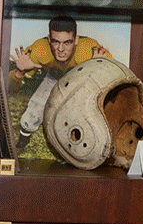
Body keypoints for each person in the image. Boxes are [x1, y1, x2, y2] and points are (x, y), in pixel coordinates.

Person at [11, 13, 110, 153]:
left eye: (67, 42)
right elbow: (10, 89)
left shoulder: (89, 49)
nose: (61, 49)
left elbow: (114, 82)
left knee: (82, 114)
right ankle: (22, 143)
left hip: (79, 80)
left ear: (76, 39)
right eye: (56, 42)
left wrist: (99, 69)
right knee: (35, 107)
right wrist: (18, 73)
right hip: (53, 77)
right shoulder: (39, 49)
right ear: (49, 39)